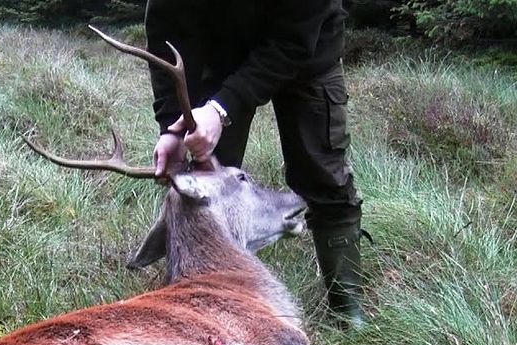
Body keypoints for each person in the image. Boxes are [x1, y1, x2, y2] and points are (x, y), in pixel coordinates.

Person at [146, 0, 365, 327]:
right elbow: (167, 32)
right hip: (220, 55)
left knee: (323, 174)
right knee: (211, 192)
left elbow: (293, 42)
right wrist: (174, 125)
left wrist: (222, 109)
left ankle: (349, 314)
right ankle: (211, 318)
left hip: (308, 50)